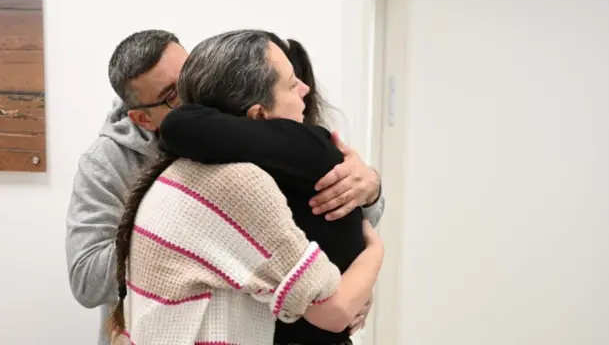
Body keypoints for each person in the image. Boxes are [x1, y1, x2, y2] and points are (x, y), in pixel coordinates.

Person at [65, 29, 384, 345]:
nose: (196, 90)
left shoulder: (246, 153)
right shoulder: (219, 180)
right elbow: (332, 309)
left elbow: (342, 212)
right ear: (142, 118)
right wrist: (371, 257)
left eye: (192, 69)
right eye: (175, 94)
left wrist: (370, 185)